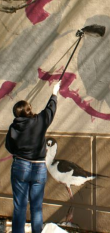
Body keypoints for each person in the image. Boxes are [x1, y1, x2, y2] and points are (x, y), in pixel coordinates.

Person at [5, 81, 61, 233]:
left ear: (16, 114)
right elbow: (50, 110)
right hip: (38, 168)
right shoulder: (39, 121)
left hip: (20, 166)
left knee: (20, 207)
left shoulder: (13, 127)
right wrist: (55, 92)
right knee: (36, 207)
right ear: (29, 110)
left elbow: (9, 147)